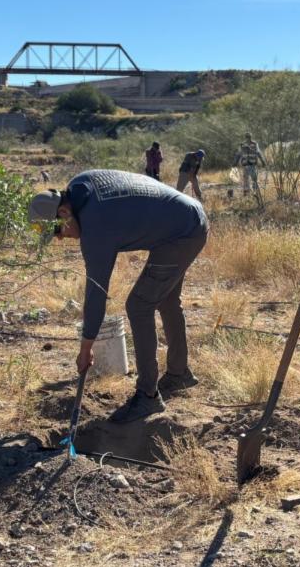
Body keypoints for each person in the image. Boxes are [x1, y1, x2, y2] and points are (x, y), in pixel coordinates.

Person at [29, 170, 208, 423]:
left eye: (57, 231)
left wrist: (86, 347)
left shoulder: (95, 226)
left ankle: (147, 396)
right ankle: (179, 374)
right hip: (185, 216)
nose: (59, 238)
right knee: (165, 299)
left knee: (139, 305)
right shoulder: (80, 185)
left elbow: (96, 291)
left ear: (64, 213)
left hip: (183, 231)